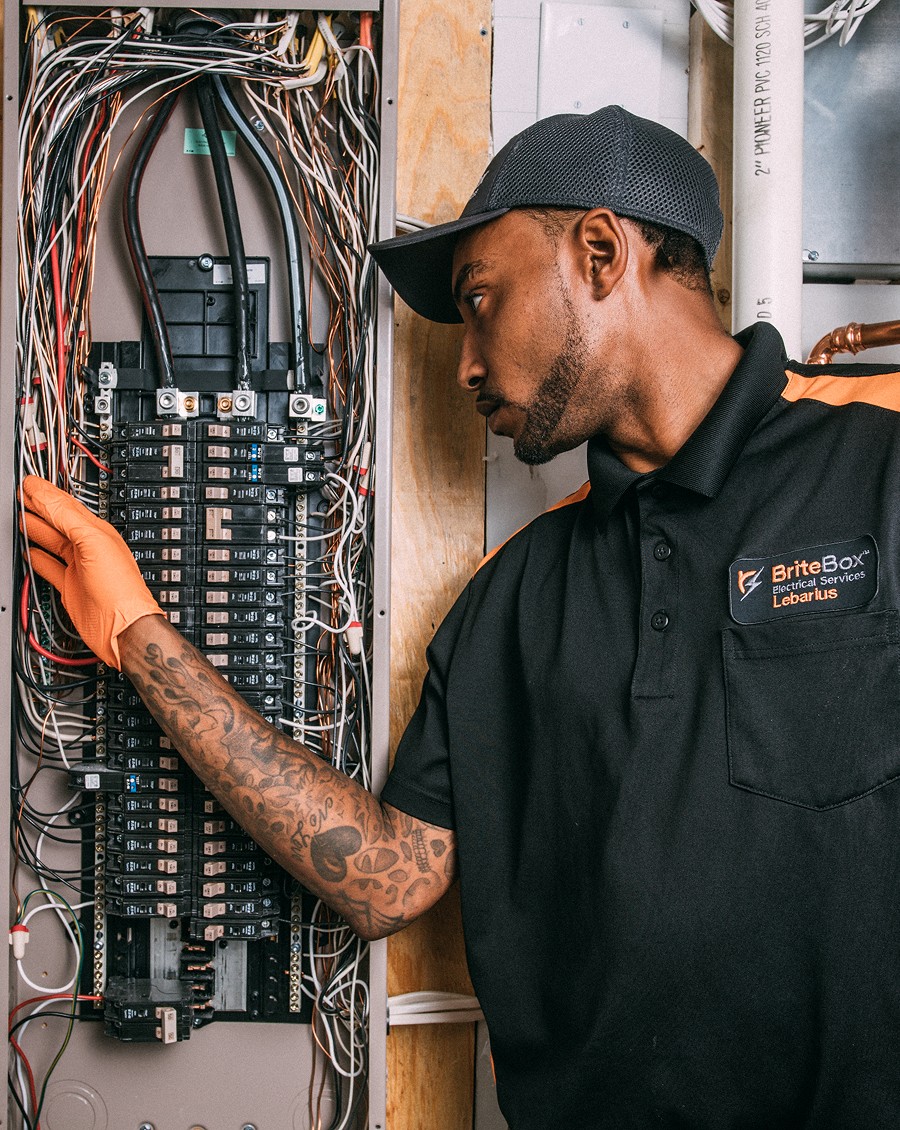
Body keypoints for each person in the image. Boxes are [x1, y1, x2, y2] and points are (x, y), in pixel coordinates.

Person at [21, 105, 900, 1128]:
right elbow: (386, 878)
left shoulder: (877, 460)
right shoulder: (514, 596)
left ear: (601, 253)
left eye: (481, 300)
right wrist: (136, 632)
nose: (466, 365)